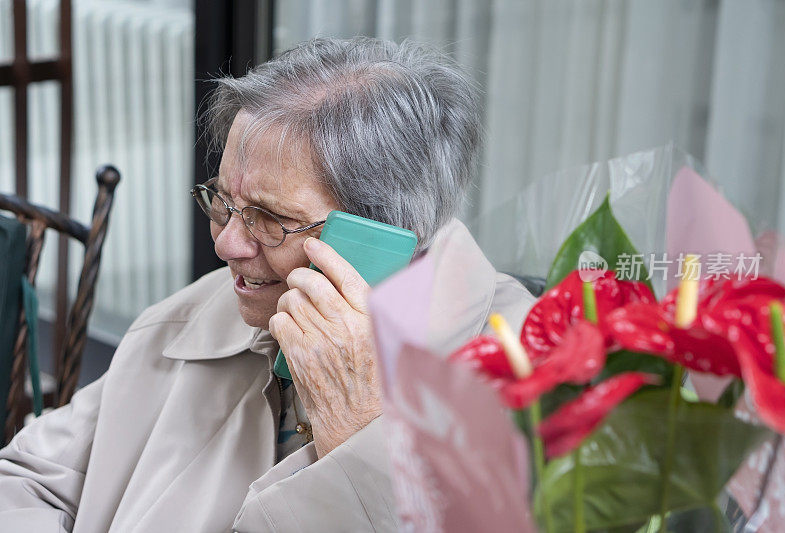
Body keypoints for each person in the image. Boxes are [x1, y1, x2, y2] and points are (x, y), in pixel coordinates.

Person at [0, 37, 534, 532]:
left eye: (268, 217)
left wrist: (364, 439)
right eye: (223, 202)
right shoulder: (198, 315)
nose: (227, 244)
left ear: (383, 240)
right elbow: (28, 480)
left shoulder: (537, 384)